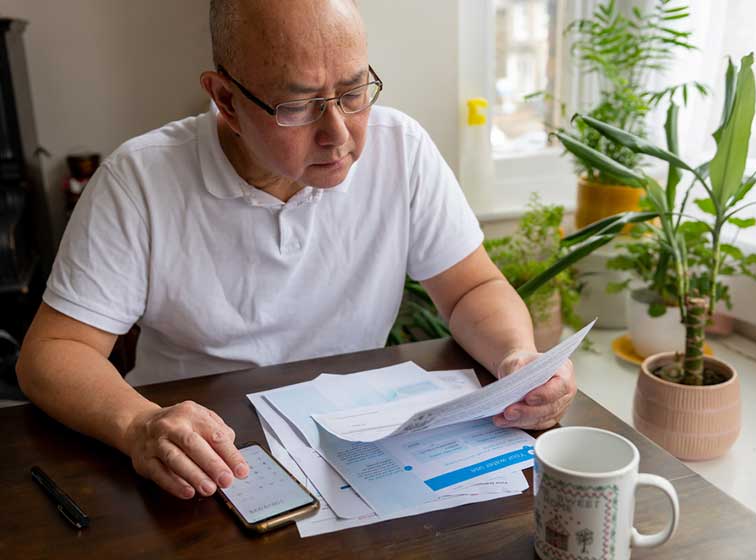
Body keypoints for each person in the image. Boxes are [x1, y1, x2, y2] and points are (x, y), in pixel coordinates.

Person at [16, 0, 576, 501]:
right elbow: (54, 352)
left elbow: (471, 288)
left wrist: (516, 359)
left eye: (354, 93)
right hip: (205, 459)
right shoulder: (139, 179)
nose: (340, 134)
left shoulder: (401, 149)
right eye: (299, 105)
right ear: (226, 100)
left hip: (357, 443)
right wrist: (139, 424)